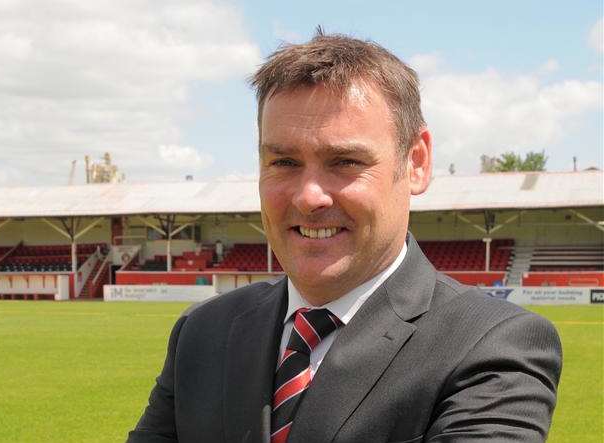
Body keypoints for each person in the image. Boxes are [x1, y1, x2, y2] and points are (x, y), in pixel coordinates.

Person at [128, 30, 561, 443]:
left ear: (416, 162)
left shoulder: (495, 347)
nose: (309, 196)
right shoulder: (202, 332)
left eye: (345, 161)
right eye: (283, 162)